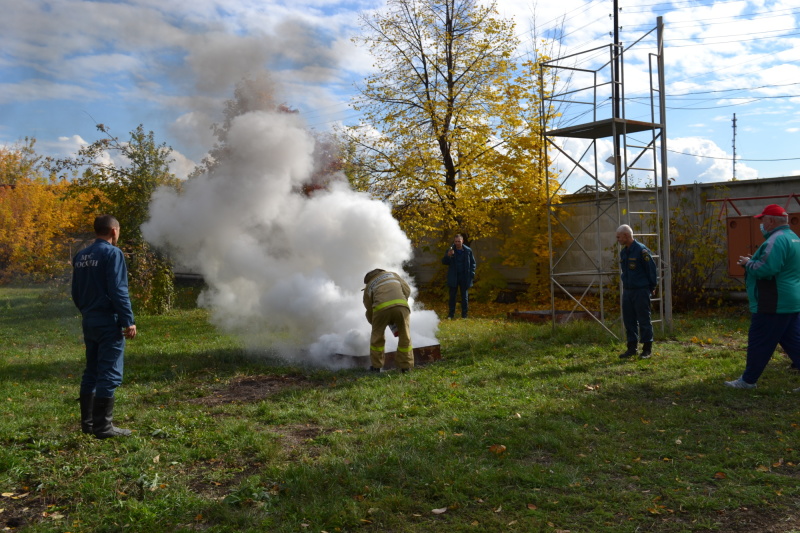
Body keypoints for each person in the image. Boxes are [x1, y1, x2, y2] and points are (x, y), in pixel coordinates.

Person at [72, 215, 137, 438]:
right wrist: (128, 320)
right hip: (108, 321)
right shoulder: (113, 253)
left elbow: (76, 291)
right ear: (113, 231)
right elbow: (119, 290)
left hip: (89, 319)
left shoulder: (81, 255)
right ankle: (104, 428)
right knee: (109, 372)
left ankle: (88, 424)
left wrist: (87, 312)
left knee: (91, 370)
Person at [725, 204, 800, 389]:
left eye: (763, 219)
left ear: (772, 221)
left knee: (759, 341)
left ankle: (748, 380)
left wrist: (748, 263)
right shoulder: (793, 238)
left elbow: (767, 269)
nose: (761, 223)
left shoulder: (776, 240)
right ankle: (748, 379)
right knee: (794, 341)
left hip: (773, 301)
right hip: (790, 299)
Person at [616, 224, 658, 359]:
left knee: (644, 319)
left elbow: (651, 269)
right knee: (629, 320)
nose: (617, 239)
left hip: (641, 290)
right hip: (628, 291)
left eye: (619, 237)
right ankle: (631, 348)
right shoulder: (624, 252)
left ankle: (647, 350)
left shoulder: (641, 251)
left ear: (626, 236)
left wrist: (652, 287)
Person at [363, 269, 413, 372]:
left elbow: (369, 308)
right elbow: (407, 291)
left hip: (381, 310)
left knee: (377, 337)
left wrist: (374, 322)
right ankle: (405, 366)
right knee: (405, 336)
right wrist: (400, 303)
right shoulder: (392, 274)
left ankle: (376, 367)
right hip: (401, 307)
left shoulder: (369, 285)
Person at [442, 234, 476, 319]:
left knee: (464, 297)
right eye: (456, 241)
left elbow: (473, 263)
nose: (457, 243)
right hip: (454, 276)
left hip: (465, 277)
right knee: (452, 297)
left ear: (462, 241)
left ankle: (464, 315)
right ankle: (451, 315)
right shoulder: (450, 250)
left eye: (459, 241)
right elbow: (444, 262)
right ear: (454, 242)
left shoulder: (468, 251)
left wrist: (471, 274)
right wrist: (448, 256)